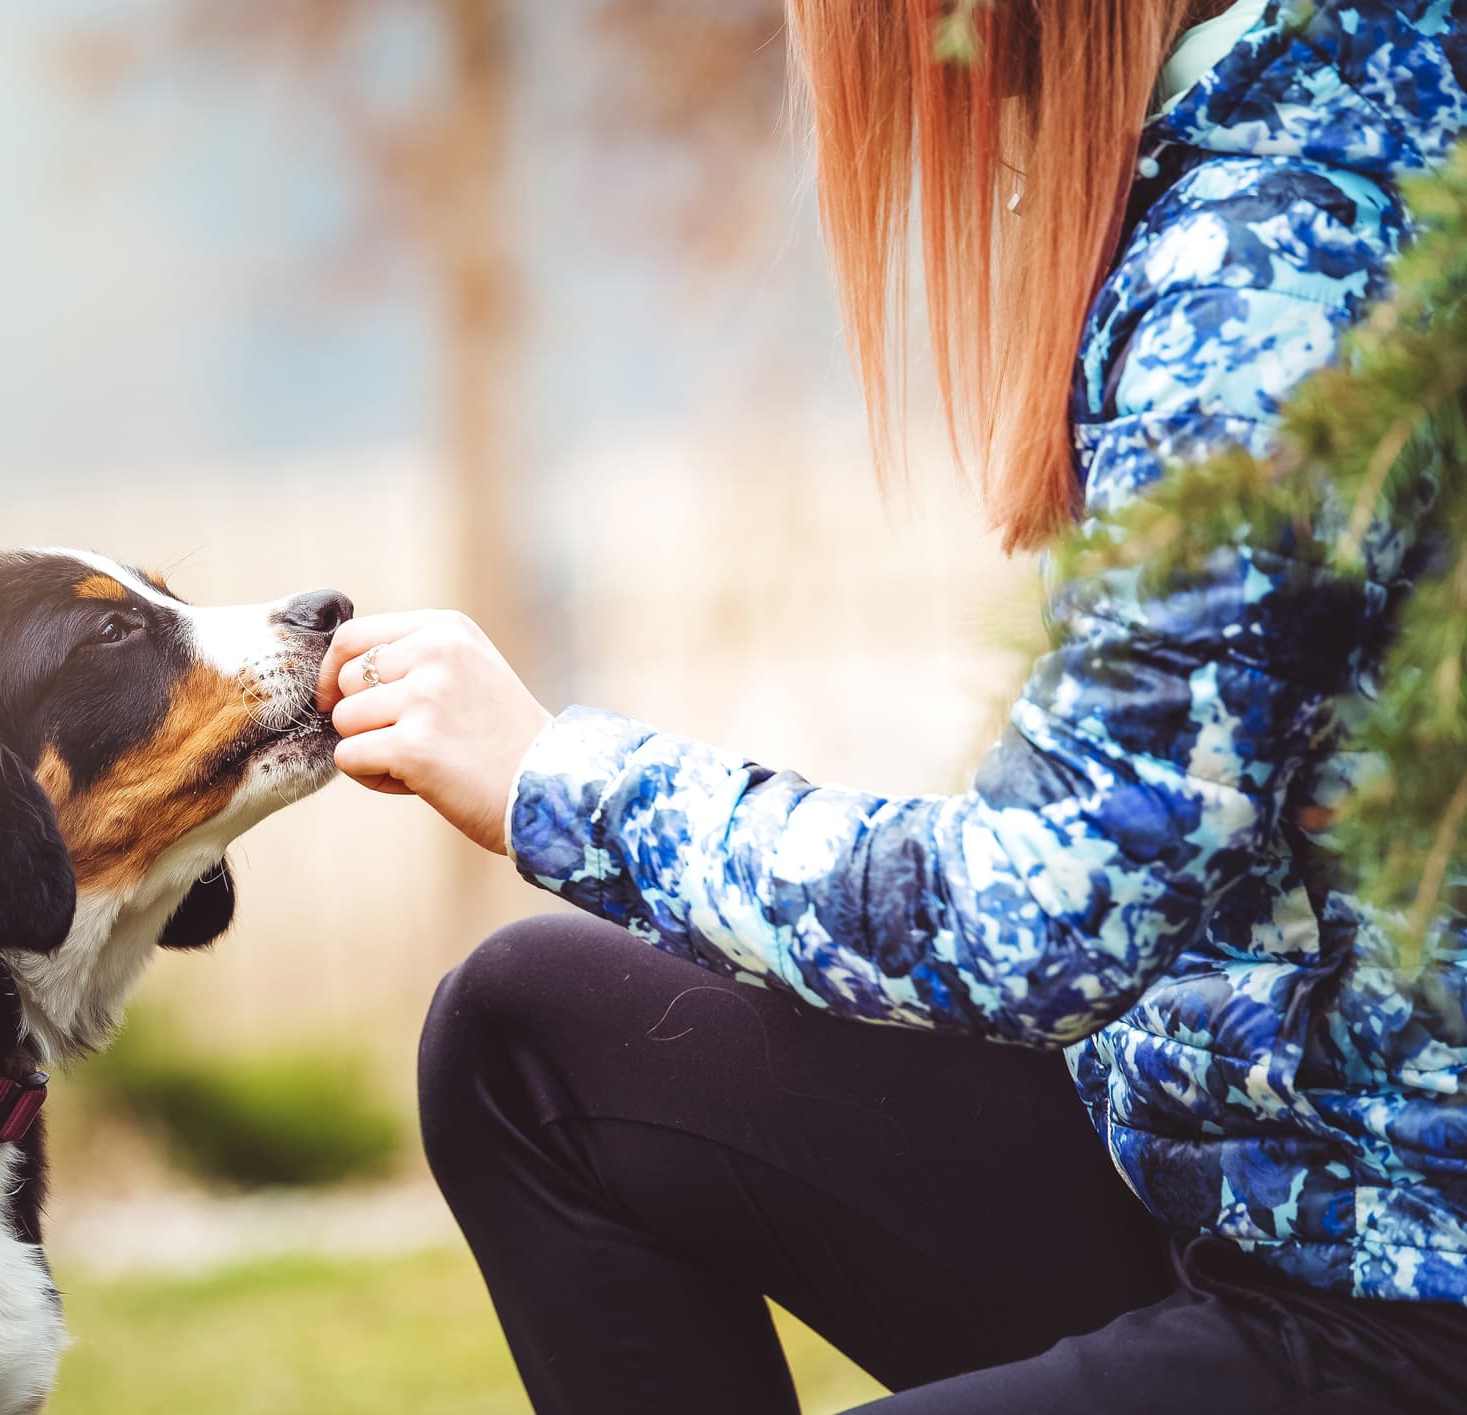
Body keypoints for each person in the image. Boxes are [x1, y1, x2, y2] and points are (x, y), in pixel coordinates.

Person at [314, 2, 1467, 1411]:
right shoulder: (1303, 159)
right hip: (1230, 1181)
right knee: (525, 1039)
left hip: (1394, 1296)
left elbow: (1053, 916)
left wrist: (556, 776)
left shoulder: (1271, 274)